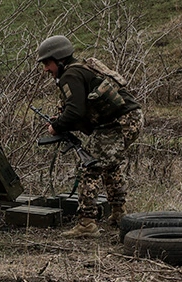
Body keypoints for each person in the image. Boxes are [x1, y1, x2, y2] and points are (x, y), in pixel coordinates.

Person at [35, 35, 143, 238]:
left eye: (47, 63)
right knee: (109, 165)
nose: (45, 69)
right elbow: (81, 109)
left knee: (90, 167)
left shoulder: (70, 75)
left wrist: (56, 126)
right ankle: (119, 213)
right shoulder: (81, 68)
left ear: (58, 59)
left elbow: (75, 111)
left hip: (119, 123)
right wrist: (61, 119)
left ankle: (86, 223)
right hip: (129, 118)